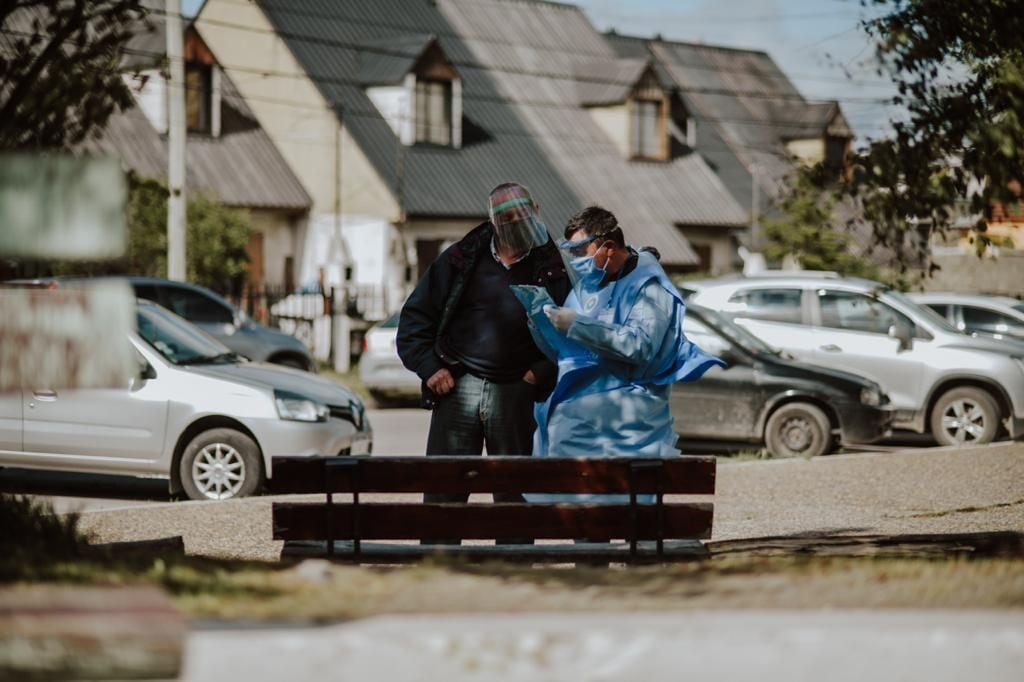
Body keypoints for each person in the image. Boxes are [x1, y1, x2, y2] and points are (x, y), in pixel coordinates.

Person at [396, 182, 570, 541]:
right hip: (458, 385)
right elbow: (414, 320)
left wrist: (538, 373)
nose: (518, 224)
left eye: (524, 216)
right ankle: (438, 562)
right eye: (508, 219)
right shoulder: (462, 258)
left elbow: (569, 333)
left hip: (516, 389)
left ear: (535, 212)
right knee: (446, 485)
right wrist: (430, 368)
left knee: (513, 491)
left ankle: (513, 567)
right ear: (494, 222)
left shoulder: (551, 266)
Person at [529, 205, 724, 462]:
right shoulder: (589, 285)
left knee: (607, 484)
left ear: (608, 247)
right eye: (571, 252)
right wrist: (540, 325)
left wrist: (578, 325)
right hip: (582, 404)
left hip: (626, 416)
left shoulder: (649, 287)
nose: (576, 260)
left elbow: (640, 347)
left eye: (580, 251)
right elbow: (565, 353)